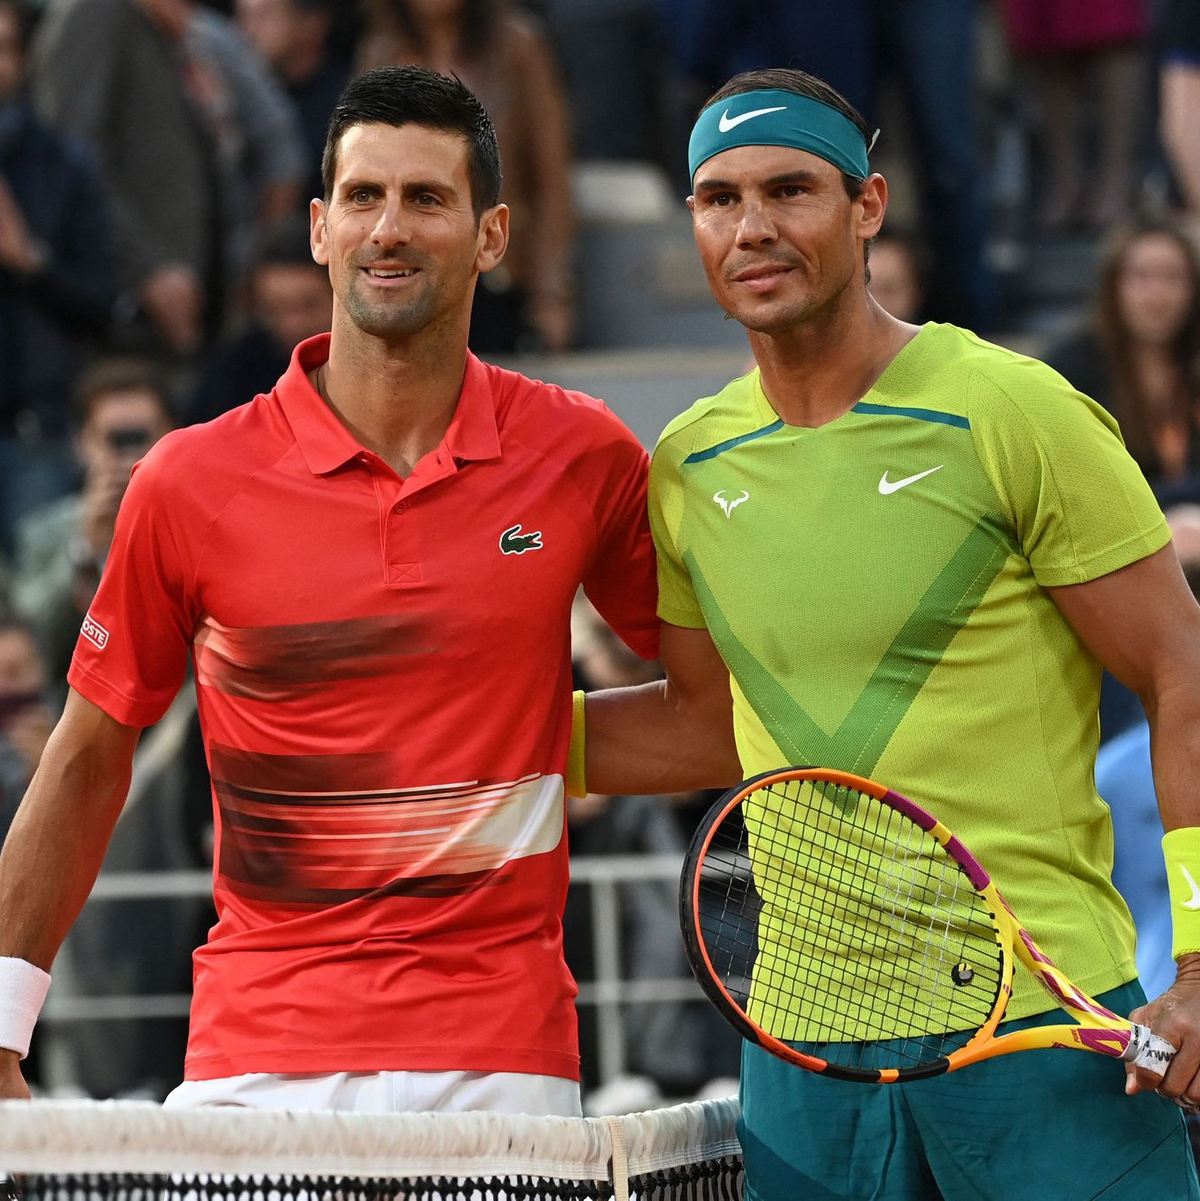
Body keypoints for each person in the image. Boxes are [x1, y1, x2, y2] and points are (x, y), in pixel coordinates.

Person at [575, 66, 1200, 1199]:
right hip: (805, 1053)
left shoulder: (1013, 409)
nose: (753, 227)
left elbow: (1180, 670)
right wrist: (464, 732)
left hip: (1035, 1022)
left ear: (868, 208)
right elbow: (708, 729)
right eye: (720, 199)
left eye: (790, 190)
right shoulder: (686, 463)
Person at [0, 66, 658, 1113]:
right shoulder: (187, 480)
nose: (388, 228)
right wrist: (0, 1033)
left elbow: (713, 711)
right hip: (253, 1065)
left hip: (501, 1067)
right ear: (318, 228)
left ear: (492, 236)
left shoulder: (584, 454)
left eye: (426, 199)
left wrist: (525, 732)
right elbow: (85, 757)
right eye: (363, 197)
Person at [359, 0, 575, 353]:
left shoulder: (517, 45)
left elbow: (552, 174)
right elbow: (361, 161)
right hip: (408, 260)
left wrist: (553, 290)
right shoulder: (383, 50)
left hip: (499, 267)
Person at [0, 0, 117, 554]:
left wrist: (30, 261)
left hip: (38, 433)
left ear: (23, 58)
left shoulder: (64, 165)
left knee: (42, 607)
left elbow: (102, 301)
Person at [11, 358, 175, 693]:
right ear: (84, 444)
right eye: (116, 440)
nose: (130, 455)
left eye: (141, 437)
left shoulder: (202, 524)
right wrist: (85, 550)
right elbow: (31, 647)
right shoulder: (45, 531)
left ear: (173, 436)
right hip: (82, 706)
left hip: (176, 708)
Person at [1044, 220, 1200, 492]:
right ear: (1113, 286)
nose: (1158, 294)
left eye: (1173, 277)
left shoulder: (1192, 360)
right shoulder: (1071, 369)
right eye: (1142, 276)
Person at [185, 215, 332, 426]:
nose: (292, 325)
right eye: (274, 310)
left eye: (308, 305)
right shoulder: (233, 371)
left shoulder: (373, 362)